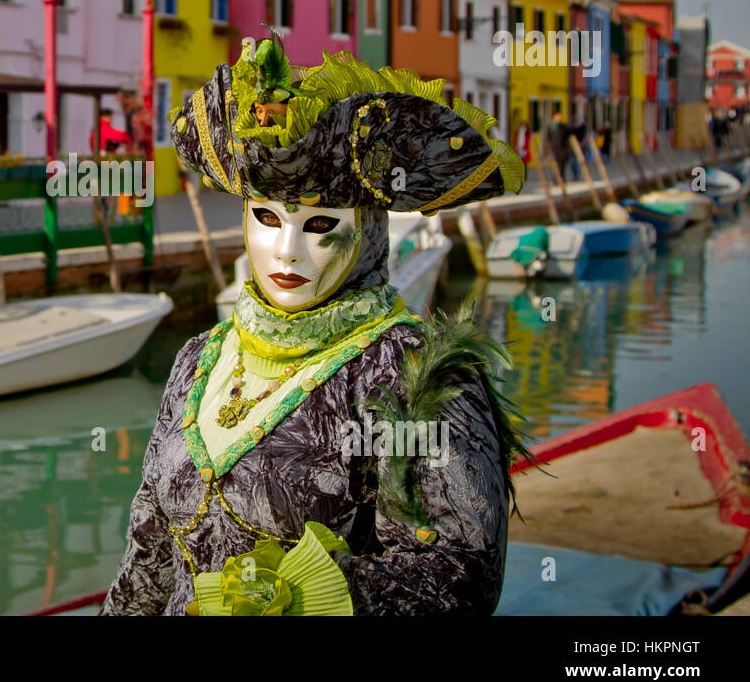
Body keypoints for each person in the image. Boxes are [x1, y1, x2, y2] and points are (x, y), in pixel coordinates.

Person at [100, 44, 530, 616]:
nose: (287, 250)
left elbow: (457, 574)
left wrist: (283, 601)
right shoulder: (199, 359)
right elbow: (150, 553)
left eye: (321, 224)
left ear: (369, 228)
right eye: (266, 217)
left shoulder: (415, 376)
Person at [117, 85, 151, 155]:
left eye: (121, 98)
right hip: (134, 144)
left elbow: (138, 131)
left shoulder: (134, 112)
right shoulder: (129, 110)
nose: (119, 101)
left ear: (127, 98)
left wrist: (135, 145)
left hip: (138, 146)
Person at [545, 110, 570, 182]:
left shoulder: (563, 126)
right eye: (558, 116)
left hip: (563, 149)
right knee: (555, 165)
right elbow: (548, 138)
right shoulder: (550, 127)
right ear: (554, 117)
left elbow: (567, 137)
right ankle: (556, 180)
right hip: (554, 149)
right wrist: (548, 149)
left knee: (562, 165)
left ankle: (562, 179)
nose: (559, 118)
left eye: (560, 116)